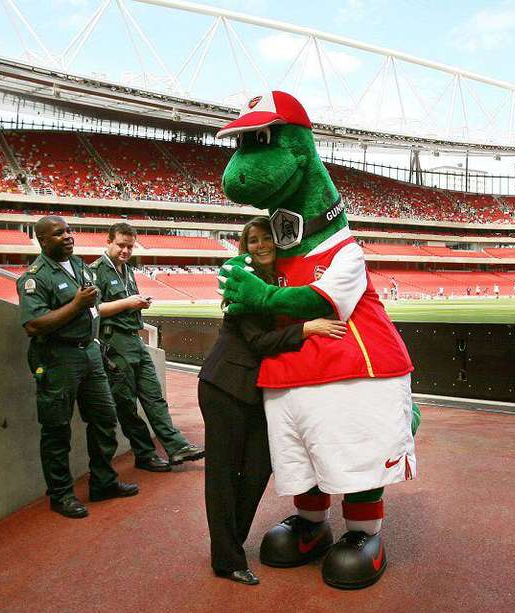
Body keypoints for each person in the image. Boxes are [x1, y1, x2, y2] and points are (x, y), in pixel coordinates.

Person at [198, 217, 346, 585]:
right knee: (222, 475)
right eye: (253, 241)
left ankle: (231, 544)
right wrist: (307, 329)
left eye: (267, 239)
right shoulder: (243, 283)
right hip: (225, 386)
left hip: (253, 389)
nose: (261, 245)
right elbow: (259, 343)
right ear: (244, 248)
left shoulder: (275, 282)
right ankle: (228, 559)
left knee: (258, 468)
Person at [16, 216, 138, 519]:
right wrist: (76, 305)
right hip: (58, 358)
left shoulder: (81, 265)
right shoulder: (35, 277)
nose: (68, 236)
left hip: (89, 352)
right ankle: (60, 495)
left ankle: (103, 482)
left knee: (105, 418)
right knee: (57, 429)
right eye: (59, 234)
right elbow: (33, 325)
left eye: (69, 231)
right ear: (43, 241)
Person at [91, 223, 204, 470]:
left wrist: (138, 303)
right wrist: (128, 303)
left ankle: (176, 447)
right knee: (127, 405)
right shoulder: (95, 271)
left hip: (134, 339)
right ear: (108, 241)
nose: (125, 251)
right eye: (121, 245)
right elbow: (94, 310)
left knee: (154, 397)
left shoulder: (127, 270)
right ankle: (145, 454)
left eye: (130, 247)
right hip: (114, 343)